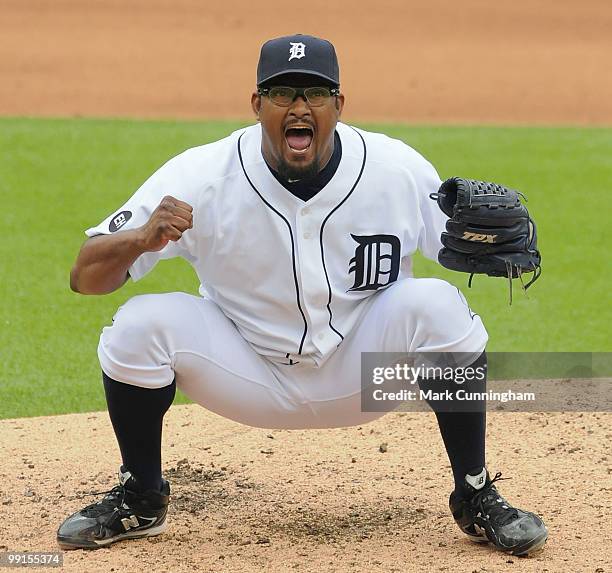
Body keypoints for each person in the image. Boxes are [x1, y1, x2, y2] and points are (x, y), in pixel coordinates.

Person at [57, 34, 548, 555]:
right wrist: (140, 238)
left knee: (437, 304)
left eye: (314, 94)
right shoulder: (200, 175)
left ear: (339, 104)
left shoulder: (395, 168)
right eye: (282, 93)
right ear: (256, 105)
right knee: (139, 324)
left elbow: (458, 244)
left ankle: (473, 494)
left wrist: (484, 247)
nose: (298, 107)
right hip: (245, 375)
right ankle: (142, 495)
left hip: (364, 377)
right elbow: (86, 277)